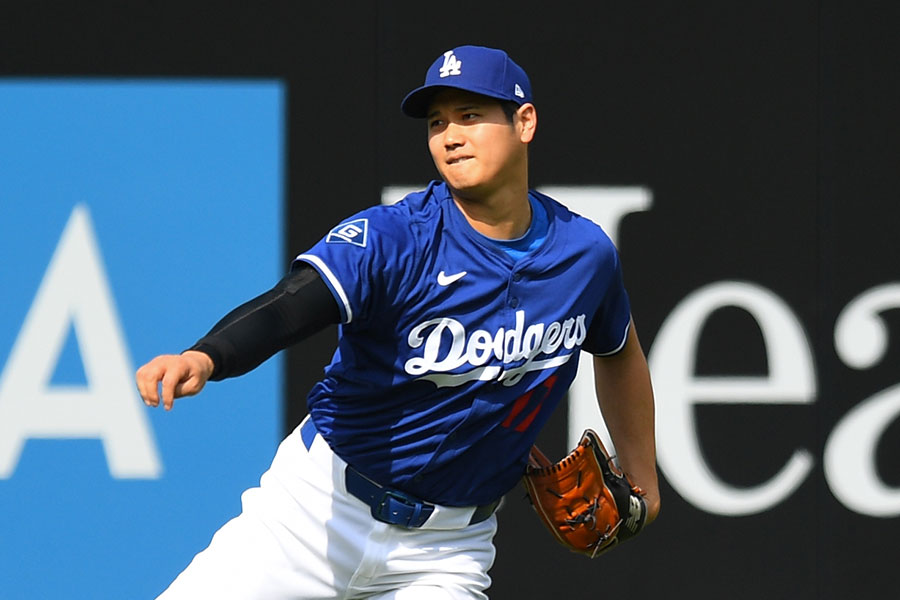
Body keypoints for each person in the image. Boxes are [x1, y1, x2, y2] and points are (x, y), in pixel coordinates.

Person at [136, 44, 660, 600]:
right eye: (437, 122)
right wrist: (207, 355)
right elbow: (293, 304)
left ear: (524, 122)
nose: (450, 136)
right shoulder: (396, 236)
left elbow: (618, 350)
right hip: (314, 517)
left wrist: (644, 481)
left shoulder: (584, 256)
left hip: (446, 553)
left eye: (471, 116)